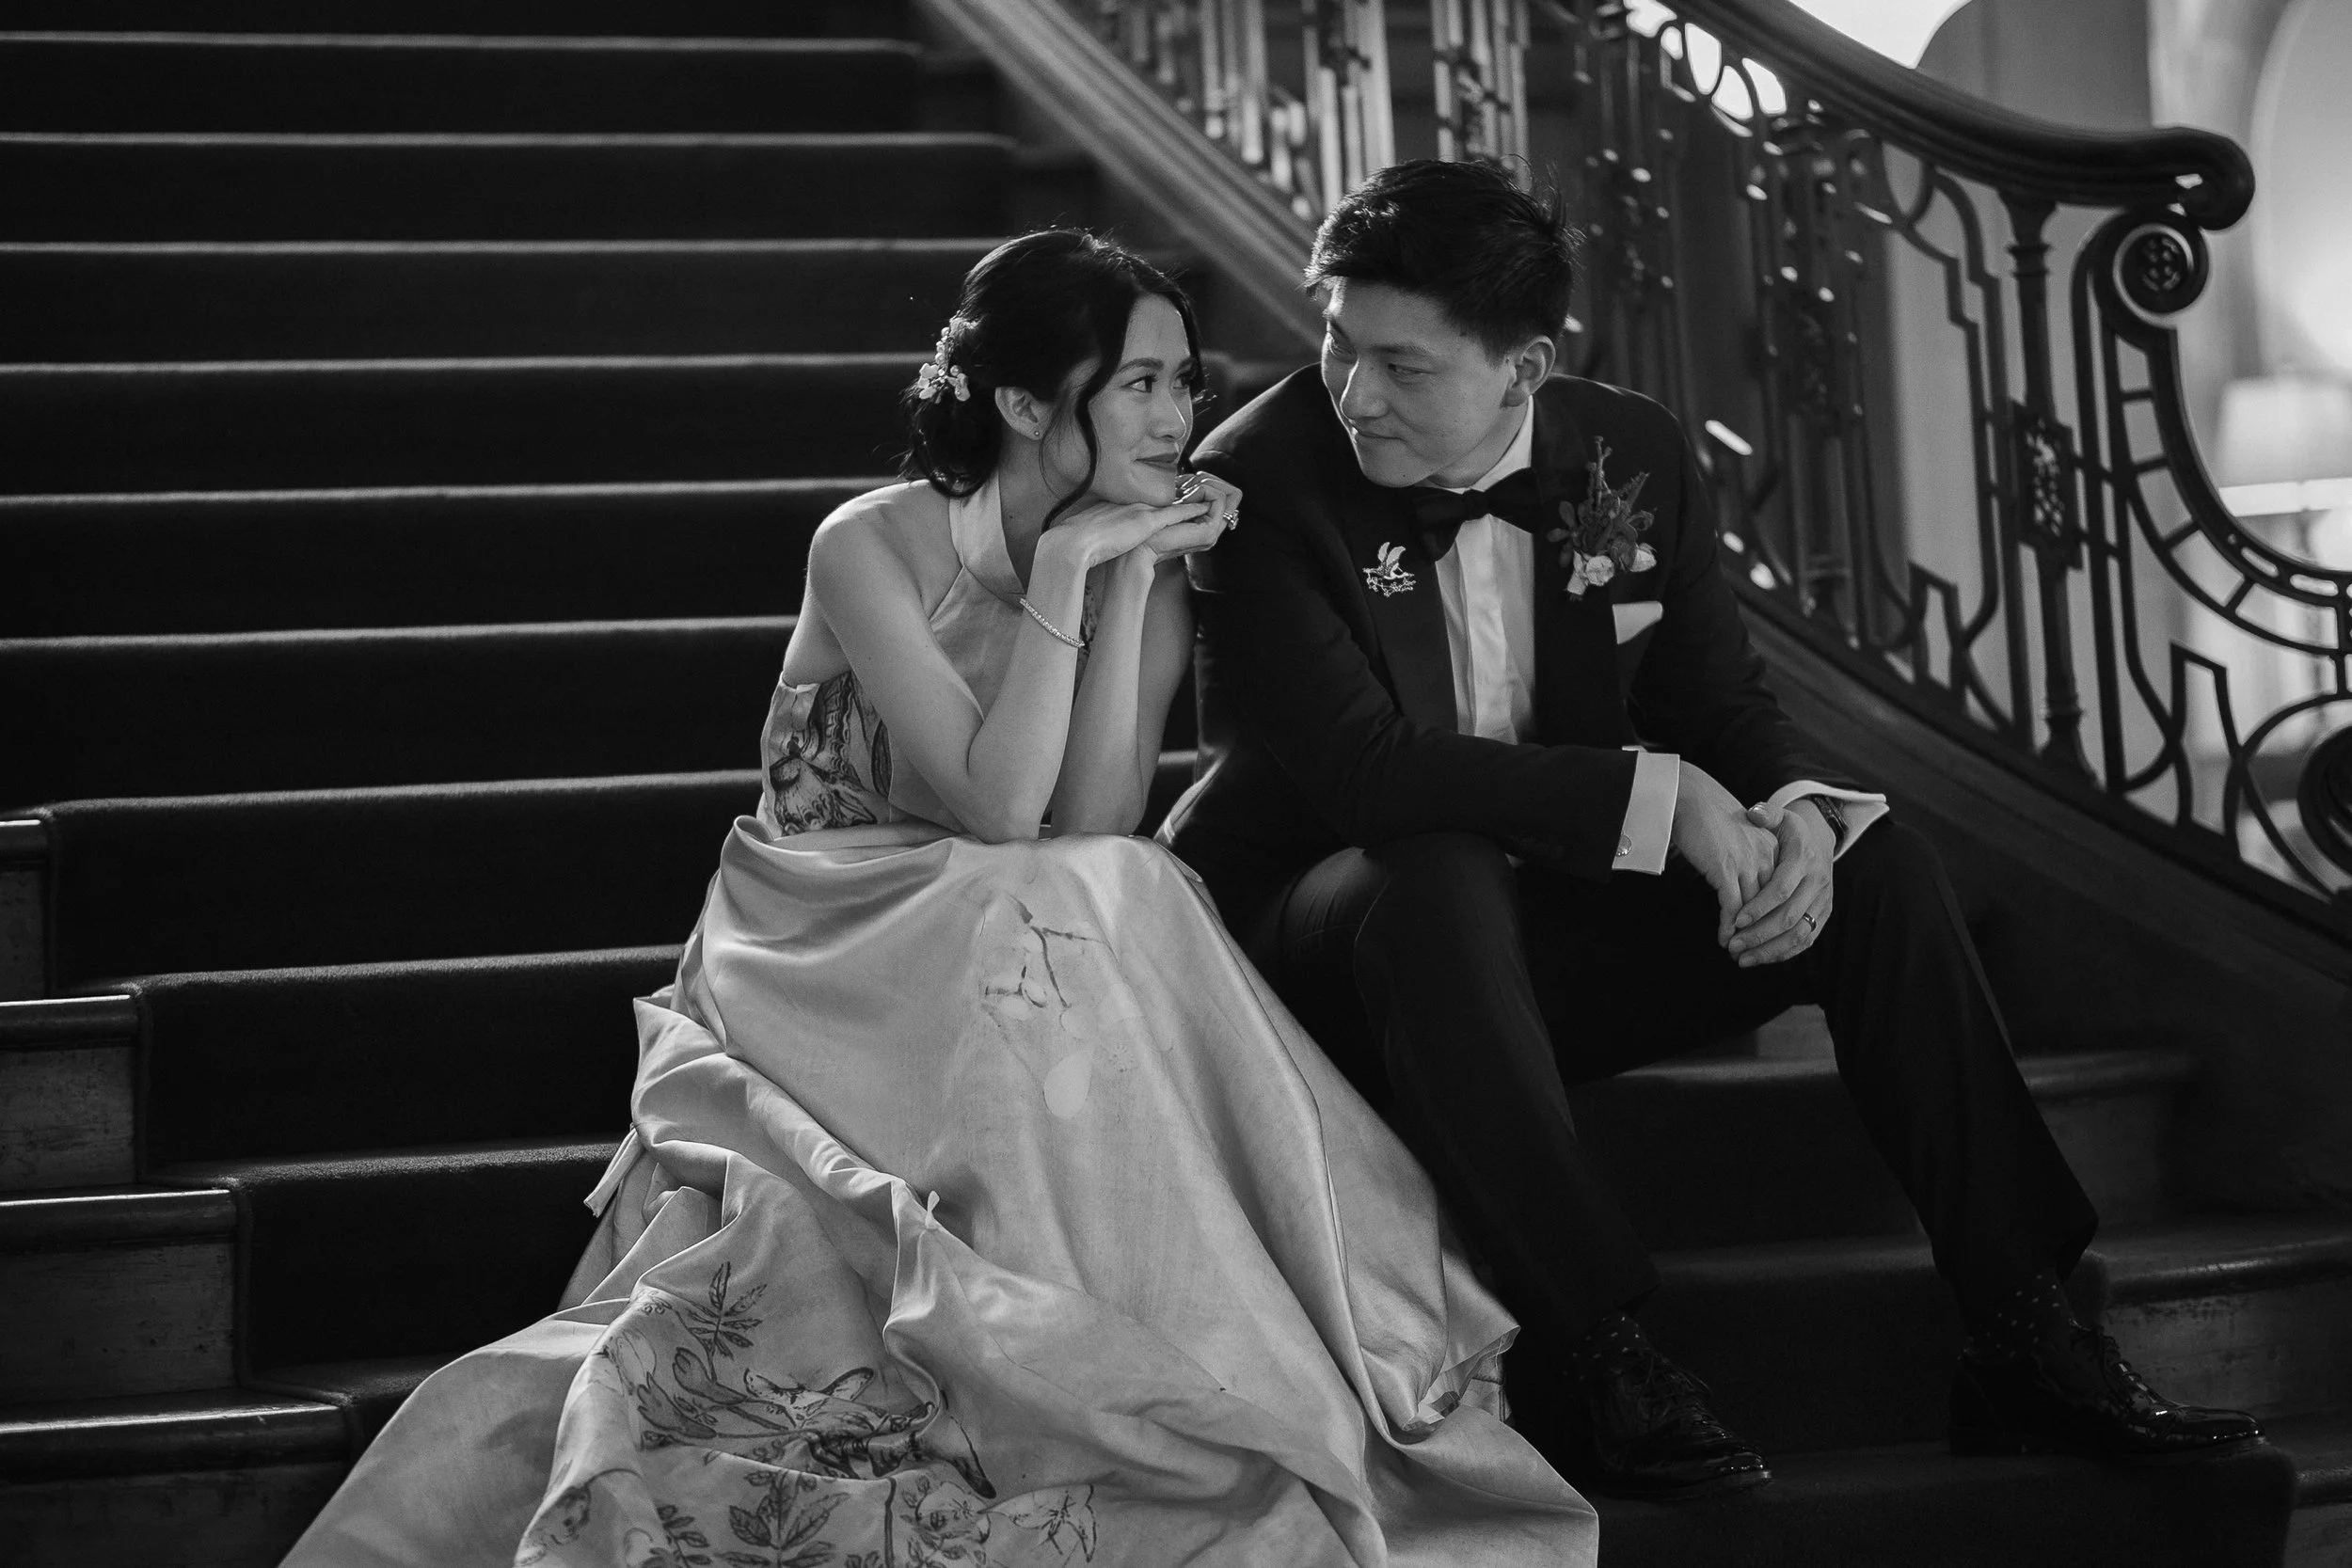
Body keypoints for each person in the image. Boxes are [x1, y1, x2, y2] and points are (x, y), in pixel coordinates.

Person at [279, 230, 1597, 1568]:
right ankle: (1042, 1351)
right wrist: (1076, 570)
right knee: (1059, 900)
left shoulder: (1141, 552)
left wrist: (1128, 576)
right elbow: (991, 803)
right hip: (822, 919)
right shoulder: (872, 542)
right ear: (1027, 405)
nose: (1177, 415)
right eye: (1136, 384)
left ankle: (1174, 1345)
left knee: (1120, 882)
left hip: (994, 908)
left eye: (1184, 383)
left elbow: (1087, 819)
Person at [1159, 159, 2264, 1503]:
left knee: (1879, 865)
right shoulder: (1262, 480)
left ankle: (2027, 1328)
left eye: (1403, 363)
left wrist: (1794, 815)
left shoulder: (1627, 451)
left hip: (1528, 948)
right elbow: (1372, 776)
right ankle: (1591, 1344)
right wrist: (1658, 799)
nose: (1353, 389)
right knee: (1435, 872)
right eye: (1337, 340)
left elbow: (1719, 700)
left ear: (1527, 366)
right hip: (1322, 942)